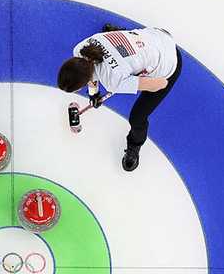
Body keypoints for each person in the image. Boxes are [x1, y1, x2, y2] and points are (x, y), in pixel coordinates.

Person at [57, 24, 182, 172]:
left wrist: (130, 80)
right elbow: (92, 75)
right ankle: (117, 38)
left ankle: (134, 146)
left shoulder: (112, 80)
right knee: (125, 58)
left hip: (168, 61)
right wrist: (94, 93)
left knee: (137, 117)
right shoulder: (81, 48)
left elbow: (160, 84)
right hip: (156, 35)